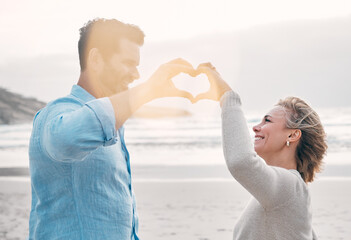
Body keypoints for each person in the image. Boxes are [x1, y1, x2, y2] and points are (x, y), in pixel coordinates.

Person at [28, 18, 196, 240]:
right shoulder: (57, 112)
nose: (136, 75)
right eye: (128, 63)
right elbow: (65, 141)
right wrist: (149, 90)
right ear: (96, 59)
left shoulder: (115, 123)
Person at [193, 63, 327, 239]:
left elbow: (241, 162)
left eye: (267, 121)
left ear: (293, 135)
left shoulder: (289, 188)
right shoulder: (288, 194)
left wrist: (228, 97)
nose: (256, 127)